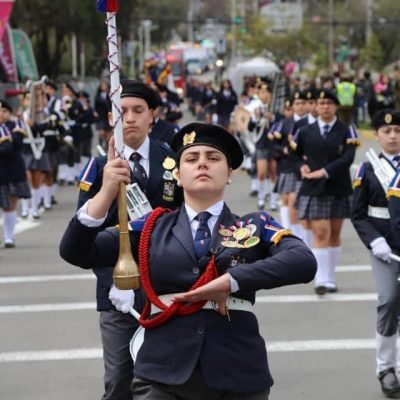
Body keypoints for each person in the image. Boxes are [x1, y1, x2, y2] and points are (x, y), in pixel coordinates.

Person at [60, 122, 317, 400]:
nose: (202, 164)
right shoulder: (150, 227)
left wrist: (232, 281)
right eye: (192, 159)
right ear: (178, 175)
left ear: (229, 174)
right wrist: (106, 193)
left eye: (214, 158)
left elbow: (303, 261)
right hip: (162, 374)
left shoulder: (254, 224)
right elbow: (76, 252)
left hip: (238, 373)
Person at [74, 79, 183, 400]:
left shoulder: (173, 161)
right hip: (117, 289)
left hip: (166, 288)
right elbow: (84, 230)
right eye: (122, 112)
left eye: (138, 110)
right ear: (111, 118)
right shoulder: (98, 166)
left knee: (168, 379)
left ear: (153, 115)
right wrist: (110, 279)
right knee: (120, 378)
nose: (130, 118)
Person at [351, 109, 400, 398]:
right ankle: (385, 367)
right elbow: (358, 215)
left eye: (397, 131)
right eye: (387, 131)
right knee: (389, 300)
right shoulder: (367, 169)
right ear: (378, 135)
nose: (393, 135)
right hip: (385, 247)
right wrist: (375, 242)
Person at [291, 88, 359, 295]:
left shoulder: (347, 129)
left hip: (337, 185)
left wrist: (324, 171)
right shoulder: (304, 130)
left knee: (335, 233)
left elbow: (348, 158)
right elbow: (294, 155)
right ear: (316, 107)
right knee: (321, 232)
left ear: (335, 106)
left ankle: (330, 277)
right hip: (314, 188)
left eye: (329, 103)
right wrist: (299, 167)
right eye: (321, 104)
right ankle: (320, 279)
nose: (325, 107)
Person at [0, 99, 31, 247]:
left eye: (4, 111)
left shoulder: (16, 125)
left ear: (9, 113)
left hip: (12, 169)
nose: (1, 114)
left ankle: (9, 237)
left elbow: (15, 144)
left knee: (10, 205)